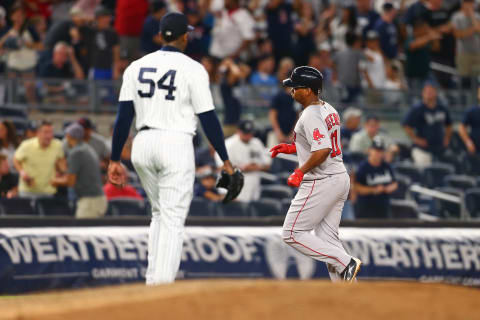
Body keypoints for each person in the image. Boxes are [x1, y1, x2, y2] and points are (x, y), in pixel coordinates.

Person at [108, 12, 240, 285]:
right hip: (175, 143)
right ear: (184, 36)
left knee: (159, 213)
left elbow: (123, 117)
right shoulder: (192, 68)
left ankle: (152, 281)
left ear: (160, 35)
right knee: (172, 218)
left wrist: (113, 159)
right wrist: (225, 159)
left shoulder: (136, 66)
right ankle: (160, 290)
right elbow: (208, 118)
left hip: (142, 144)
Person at [270, 66, 361, 283]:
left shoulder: (310, 114)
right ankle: (349, 296)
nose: (291, 90)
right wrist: (292, 148)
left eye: (295, 86)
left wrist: (300, 171)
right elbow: (321, 143)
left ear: (309, 90)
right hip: (339, 177)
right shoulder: (328, 108)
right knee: (327, 239)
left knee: (291, 233)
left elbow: (322, 149)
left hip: (322, 180)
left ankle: (345, 262)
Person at [51, 123, 107, 218]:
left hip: (90, 201)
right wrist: (63, 170)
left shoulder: (76, 152)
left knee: (84, 232)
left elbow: (70, 182)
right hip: (97, 199)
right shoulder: (85, 148)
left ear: (69, 136)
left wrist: (54, 181)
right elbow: (79, 174)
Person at [216, 120, 271, 202]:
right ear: (238, 131)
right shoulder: (228, 144)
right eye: (245, 133)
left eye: (250, 133)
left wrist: (255, 167)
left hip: (253, 189)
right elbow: (221, 167)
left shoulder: (257, 143)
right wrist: (242, 168)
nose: (248, 136)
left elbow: (267, 165)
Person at [403, 82, 452, 166]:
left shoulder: (442, 108)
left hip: (439, 149)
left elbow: (449, 125)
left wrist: (447, 138)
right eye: (426, 91)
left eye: (431, 90)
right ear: (423, 93)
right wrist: (416, 139)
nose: (428, 93)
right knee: (424, 171)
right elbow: (406, 125)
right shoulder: (417, 108)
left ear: (436, 92)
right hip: (422, 150)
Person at [13, 121, 65, 198]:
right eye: (46, 132)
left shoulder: (57, 145)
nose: (49, 135)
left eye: (51, 132)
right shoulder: (26, 145)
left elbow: (61, 162)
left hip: (48, 191)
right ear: (38, 133)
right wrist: (22, 172)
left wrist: (60, 172)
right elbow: (16, 159)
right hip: (28, 191)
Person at [354, 137, 398, 219]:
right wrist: (373, 190)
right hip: (366, 208)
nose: (378, 153)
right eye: (376, 150)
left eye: (380, 151)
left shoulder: (386, 166)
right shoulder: (363, 167)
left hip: (384, 207)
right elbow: (357, 188)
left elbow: (394, 183)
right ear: (370, 150)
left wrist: (388, 188)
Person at [451, 0, 480, 85]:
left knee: (477, 81)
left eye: (471, 3)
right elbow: (458, 34)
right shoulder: (457, 17)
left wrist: (472, 15)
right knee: (464, 80)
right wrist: (473, 29)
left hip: (477, 53)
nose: (469, 5)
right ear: (463, 4)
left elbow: (478, 30)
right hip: (463, 53)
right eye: (467, 3)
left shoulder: (477, 16)